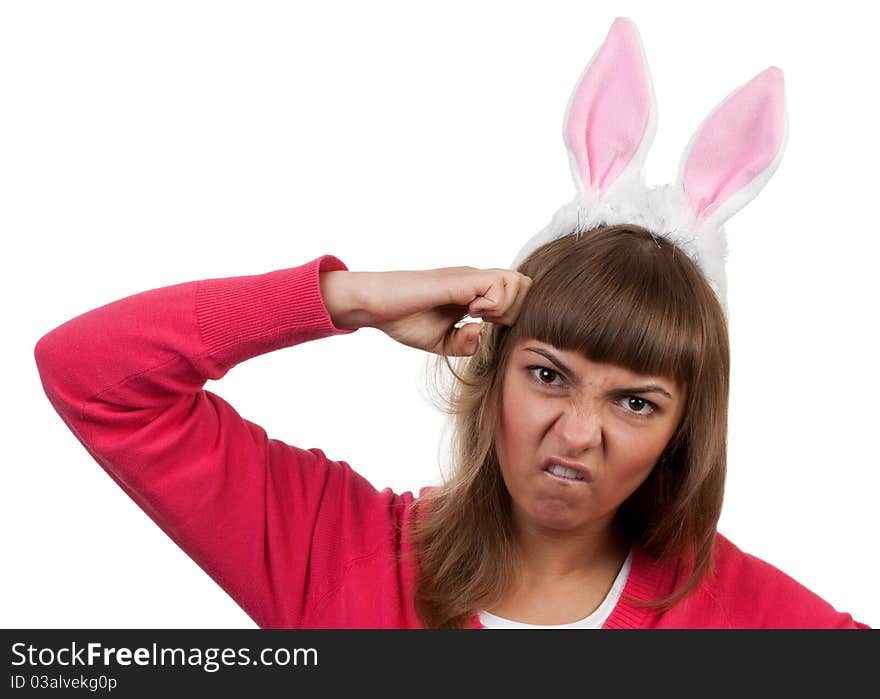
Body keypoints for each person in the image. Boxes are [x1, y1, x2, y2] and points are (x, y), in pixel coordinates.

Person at [33, 18, 868, 629]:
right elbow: (92, 377)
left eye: (636, 402)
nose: (578, 433)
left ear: (685, 429)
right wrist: (344, 297)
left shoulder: (749, 617)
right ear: (491, 364)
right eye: (548, 374)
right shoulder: (339, 553)